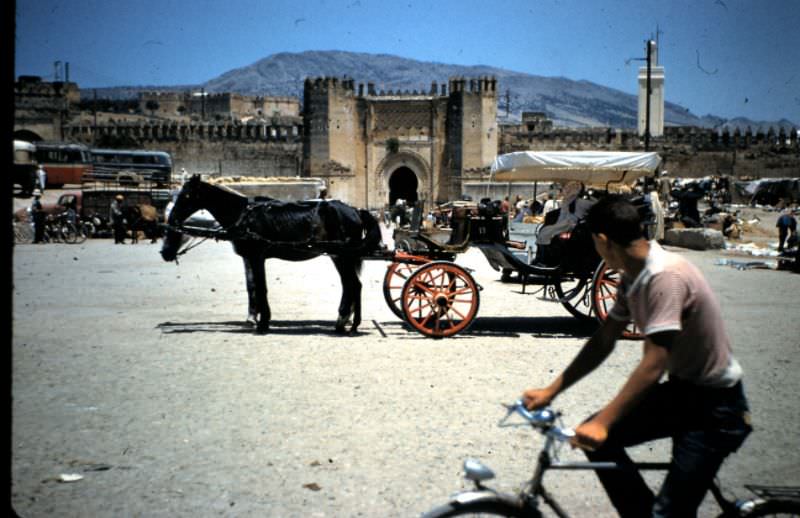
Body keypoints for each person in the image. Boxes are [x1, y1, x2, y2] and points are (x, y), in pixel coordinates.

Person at [522, 195, 751, 517]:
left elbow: (654, 363)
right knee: (597, 440)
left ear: (603, 240)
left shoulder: (665, 276)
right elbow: (603, 341)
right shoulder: (633, 276)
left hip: (715, 409)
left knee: (668, 512)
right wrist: (551, 390)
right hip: (683, 393)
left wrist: (603, 421)